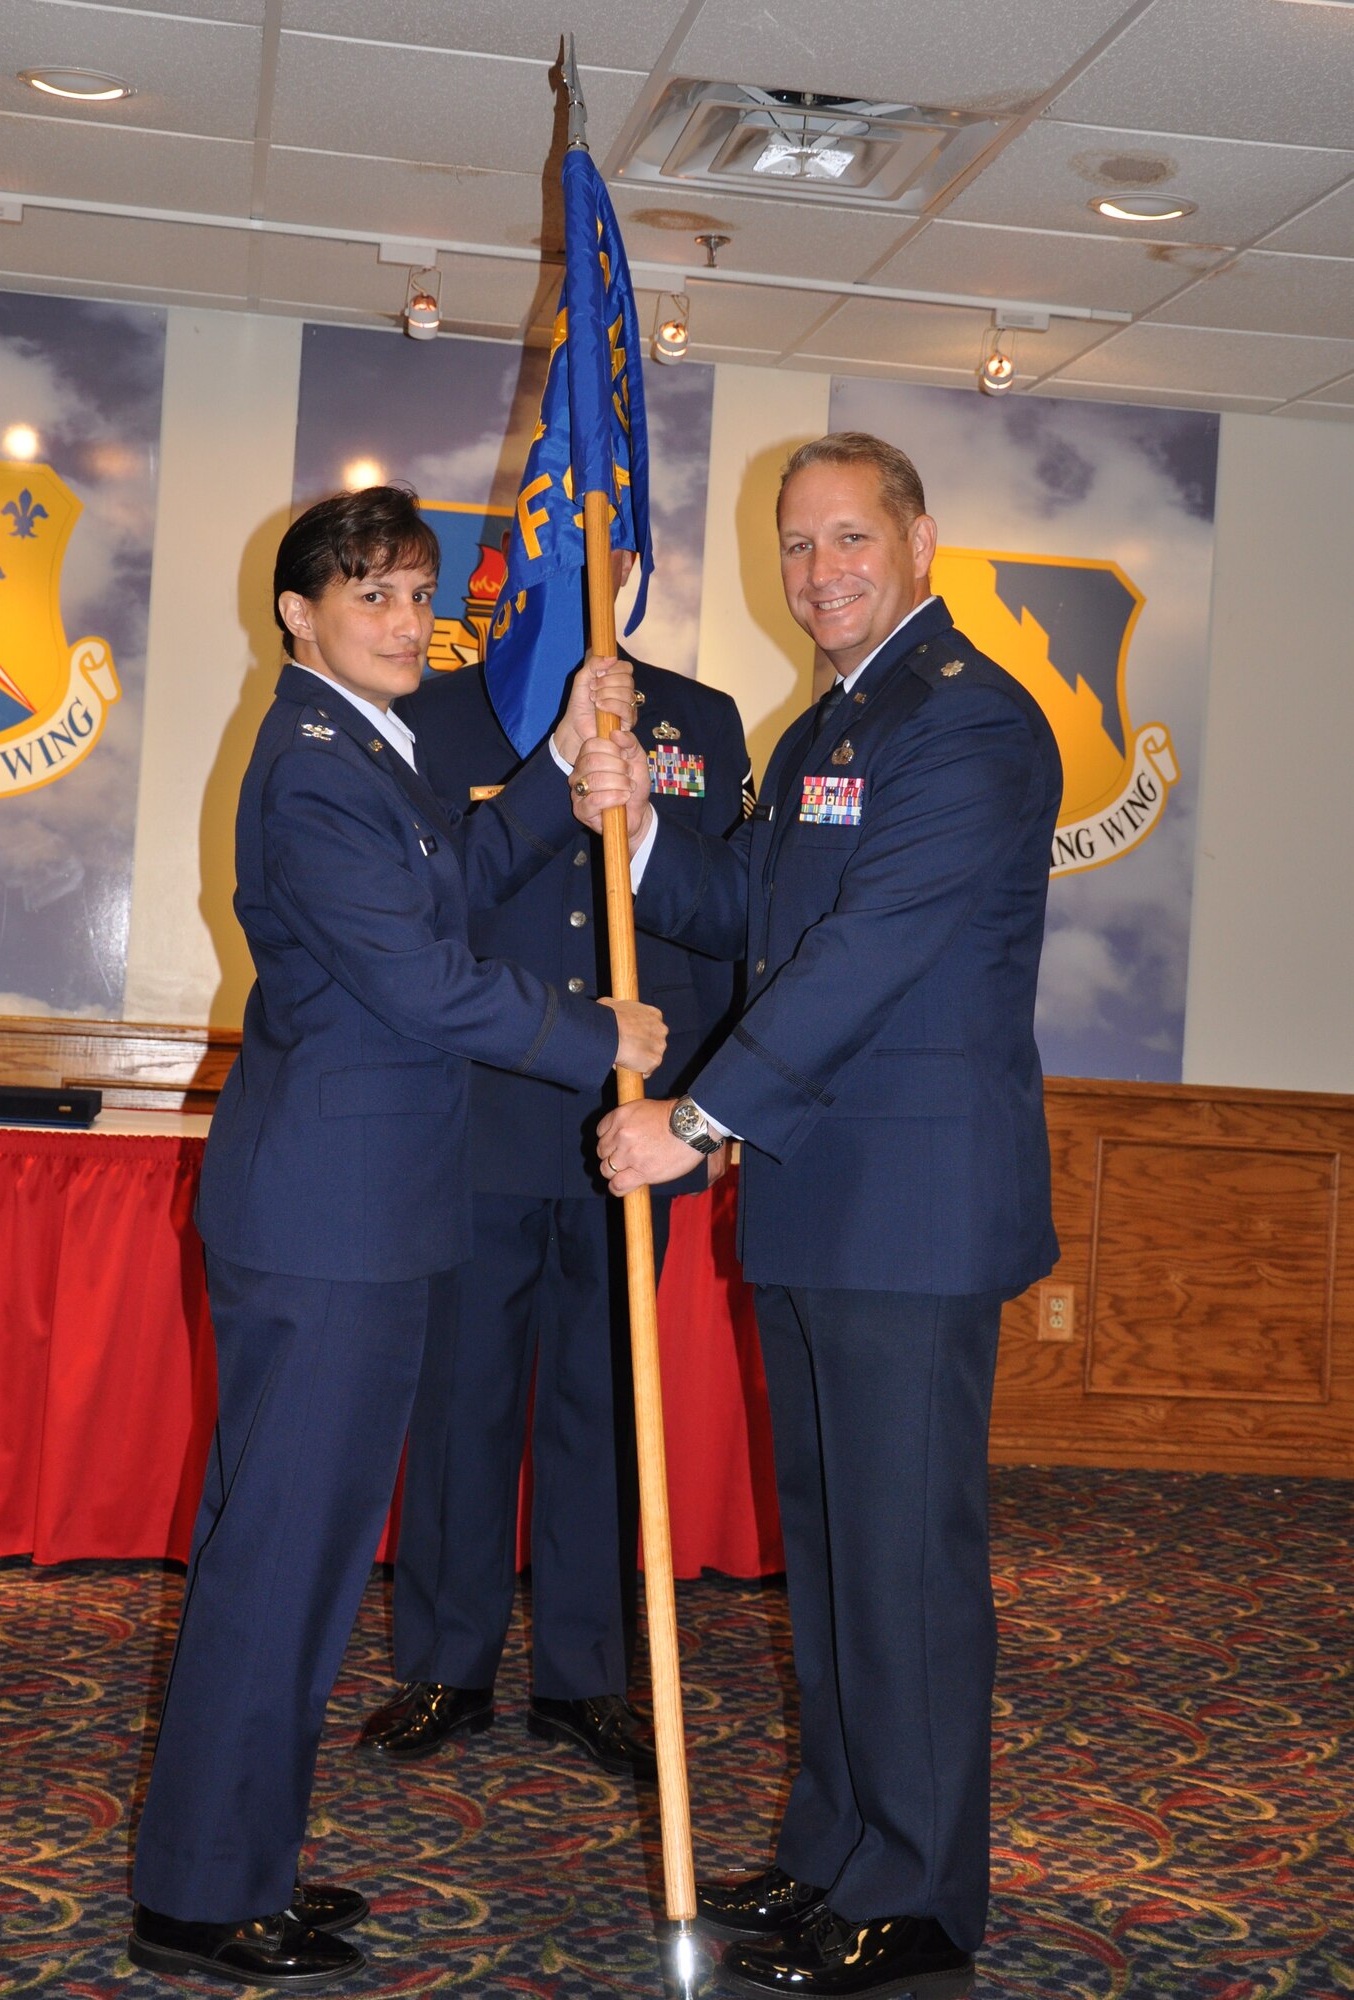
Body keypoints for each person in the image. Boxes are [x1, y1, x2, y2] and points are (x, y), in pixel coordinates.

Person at [127, 486, 666, 1991]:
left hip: (356, 1216)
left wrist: (559, 765)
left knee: (294, 1565)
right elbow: (424, 984)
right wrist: (595, 1031)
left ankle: (237, 1863)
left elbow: (457, 881)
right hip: (324, 1224)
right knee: (278, 1562)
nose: (405, 622)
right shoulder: (310, 771)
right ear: (298, 614)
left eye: (419, 595)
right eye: (370, 595)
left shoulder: (371, 750)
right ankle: (196, 1899)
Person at [571, 433, 1062, 1999]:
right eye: (794, 547)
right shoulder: (821, 731)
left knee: (903, 1562)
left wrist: (699, 1122)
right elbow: (753, 916)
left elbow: (873, 956)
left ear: (919, 539)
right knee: (837, 1556)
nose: (818, 572)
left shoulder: (971, 723)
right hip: (819, 1202)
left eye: (847, 538)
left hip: (908, 1213)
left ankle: (915, 1899)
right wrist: (635, 823)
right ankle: (836, 1848)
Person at [359, 548, 750, 1779]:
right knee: (465, 1401)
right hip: (482, 1115)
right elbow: (428, 914)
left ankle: (585, 1671)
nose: (587, 567)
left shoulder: (699, 716)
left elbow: (731, 922)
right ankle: (448, 1662)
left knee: (607, 1402)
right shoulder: (441, 709)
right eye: (562, 546)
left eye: (608, 549)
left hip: (636, 1117)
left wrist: (709, 1107)